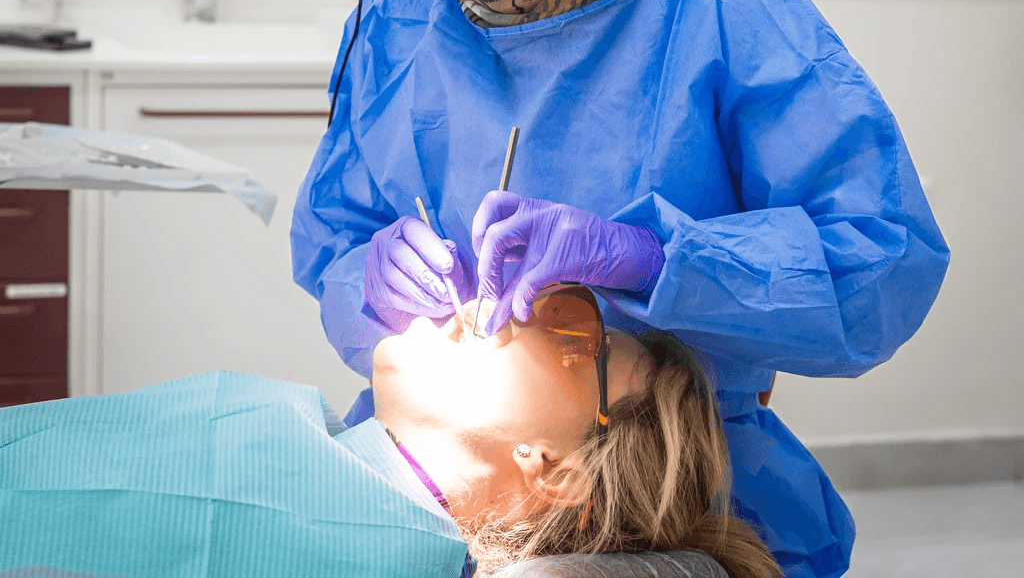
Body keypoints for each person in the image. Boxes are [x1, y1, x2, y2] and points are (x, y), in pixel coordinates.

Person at [290, 0, 950, 578]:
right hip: (438, 486)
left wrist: (658, 261)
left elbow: (883, 268)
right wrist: (371, 278)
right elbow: (335, 250)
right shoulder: (395, 30)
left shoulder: (727, 14)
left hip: (681, 493)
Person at [0, 297, 779, 578]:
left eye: (575, 340)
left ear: (561, 470)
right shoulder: (337, 449)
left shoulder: (373, 550)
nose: (510, 306)